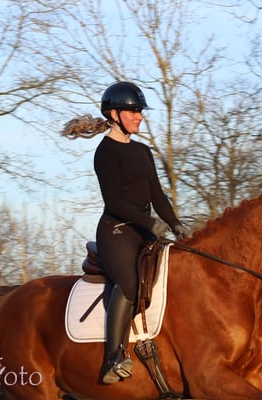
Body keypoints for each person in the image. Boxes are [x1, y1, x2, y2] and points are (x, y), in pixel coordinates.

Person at [62, 81, 188, 384]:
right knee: (130, 283)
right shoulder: (105, 152)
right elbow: (115, 202)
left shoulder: (143, 151)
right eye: (134, 112)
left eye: (140, 112)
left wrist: (175, 224)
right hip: (116, 231)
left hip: (143, 230)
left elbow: (157, 194)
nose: (139, 117)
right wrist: (150, 224)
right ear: (115, 114)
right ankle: (112, 358)